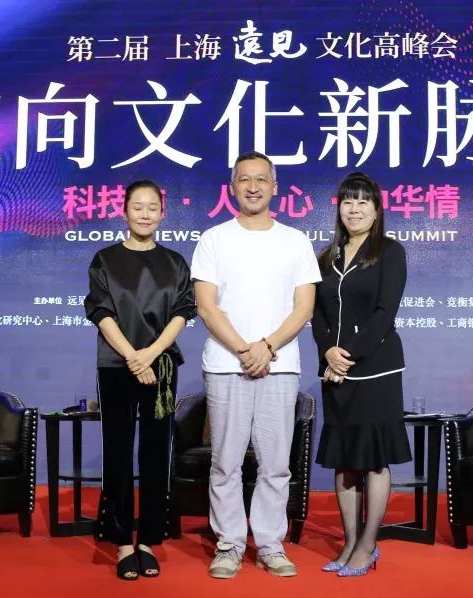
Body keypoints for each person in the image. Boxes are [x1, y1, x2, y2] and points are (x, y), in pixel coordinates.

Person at [191, 151, 322, 579]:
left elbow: (304, 308)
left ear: (274, 187)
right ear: (232, 187)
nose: (253, 186)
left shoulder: (295, 241)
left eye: (261, 179)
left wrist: (266, 347)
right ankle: (229, 544)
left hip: (279, 366)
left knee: (276, 463)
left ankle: (269, 544)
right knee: (225, 462)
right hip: (225, 365)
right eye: (244, 179)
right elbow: (206, 307)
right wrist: (244, 350)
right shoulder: (214, 239)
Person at [84, 179, 197, 580]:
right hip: (116, 366)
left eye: (152, 207)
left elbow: (183, 311)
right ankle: (121, 541)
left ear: (162, 214)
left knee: (155, 451)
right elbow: (100, 312)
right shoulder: (105, 259)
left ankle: (148, 539)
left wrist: (150, 354)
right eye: (137, 207)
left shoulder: (175, 262)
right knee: (117, 451)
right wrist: (133, 357)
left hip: (160, 366)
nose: (145, 214)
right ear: (124, 212)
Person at [311, 171, 411, 577]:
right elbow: (316, 315)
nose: (354, 209)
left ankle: (368, 546)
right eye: (348, 201)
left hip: (375, 370)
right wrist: (328, 352)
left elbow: (385, 313)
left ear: (376, 209)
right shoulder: (326, 257)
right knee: (344, 461)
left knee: (373, 460)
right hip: (335, 372)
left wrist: (347, 355)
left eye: (362, 201)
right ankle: (349, 542)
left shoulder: (389, 251)